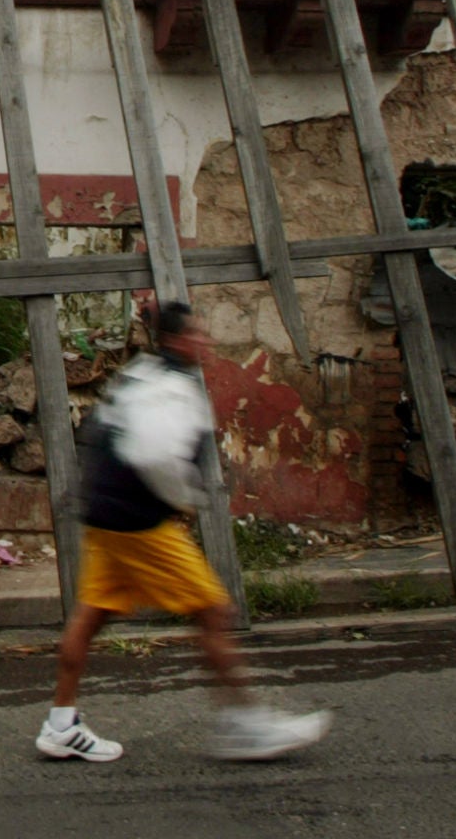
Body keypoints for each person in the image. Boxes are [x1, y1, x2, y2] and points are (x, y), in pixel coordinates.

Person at [35, 299, 330, 764]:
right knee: (213, 611)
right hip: (140, 523)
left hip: (105, 515)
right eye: (197, 333)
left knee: (89, 617)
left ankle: (60, 724)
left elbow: (100, 431)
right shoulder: (173, 387)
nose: (205, 341)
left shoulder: (140, 374)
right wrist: (182, 498)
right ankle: (245, 728)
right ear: (176, 340)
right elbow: (154, 454)